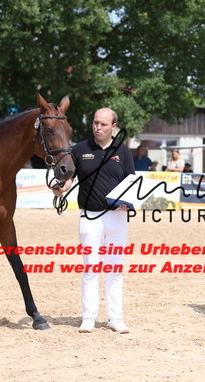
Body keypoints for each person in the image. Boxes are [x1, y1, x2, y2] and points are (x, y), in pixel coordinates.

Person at [55, 107, 134, 334]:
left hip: (118, 217)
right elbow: (69, 179)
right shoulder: (80, 149)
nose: (98, 127)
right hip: (89, 217)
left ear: (113, 127)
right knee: (91, 268)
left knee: (115, 269)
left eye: (103, 124)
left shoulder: (123, 151)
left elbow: (131, 183)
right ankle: (88, 318)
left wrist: (126, 202)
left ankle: (115, 318)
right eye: (95, 123)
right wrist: (60, 188)